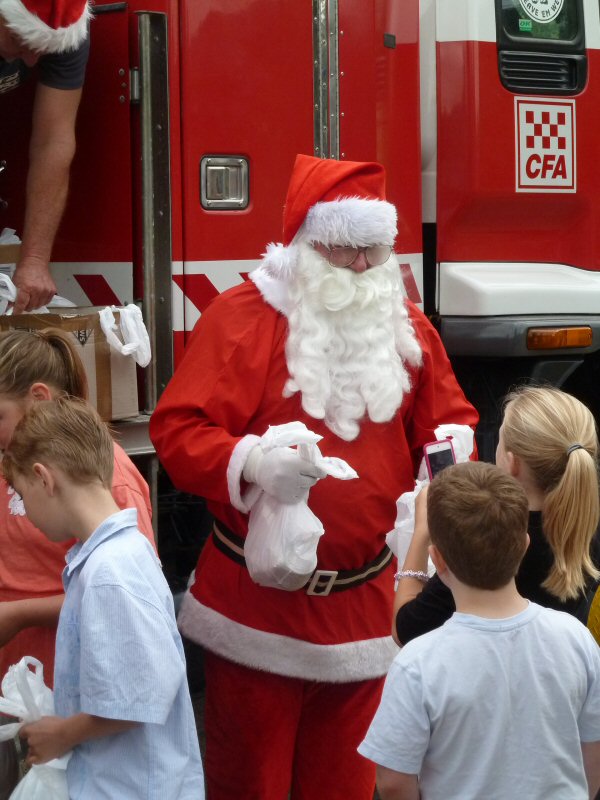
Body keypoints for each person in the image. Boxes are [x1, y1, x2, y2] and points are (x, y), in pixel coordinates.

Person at [150, 153, 479, 799]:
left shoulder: (408, 328)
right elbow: (178, 431)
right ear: (304, 241)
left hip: (366, 613)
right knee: (251, 785)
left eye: (374, 252)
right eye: (344, 250)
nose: (361, 267)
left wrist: (444, 466)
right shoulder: (244, 317)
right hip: (257, 614)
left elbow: (448, 424)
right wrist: (254, 463)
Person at [359, 461, 600, 800]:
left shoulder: (417, 663)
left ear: (438, 560)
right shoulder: (577, 638)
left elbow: (394, 781)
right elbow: (593, 749)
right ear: (525, 543)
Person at [2, 397, 205, 799]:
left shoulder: (110, 572)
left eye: (22, 497)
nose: (28, 513)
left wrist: (62, 733)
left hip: (131, 787)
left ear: (45, 479)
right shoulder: (116, 555)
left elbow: (144, 693)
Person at [0, 328, 154, 685]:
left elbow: (129, 592)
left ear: (38, 397)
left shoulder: (105, 475)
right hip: (20, 679)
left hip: (72, 681)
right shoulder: (12, 457)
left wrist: (19, 615)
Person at [393, 385, 600, 646]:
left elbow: (405, 630)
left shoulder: (490, 536)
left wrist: (423, 531)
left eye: (500, 439)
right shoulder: (585, 524)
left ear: (512, 463)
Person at [0, 0, 90, 313]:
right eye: (20, 41)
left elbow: (53, 142)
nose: (30, 58)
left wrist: (35, 260)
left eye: (43, 49)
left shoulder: (65, 31)